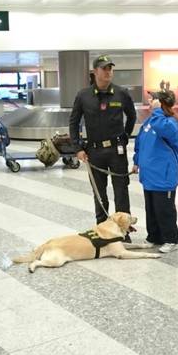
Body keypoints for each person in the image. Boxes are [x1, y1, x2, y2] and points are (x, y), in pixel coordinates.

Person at [69, 55, 137, 236]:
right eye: (104, 68)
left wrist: (125, 136)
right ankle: (103, 231)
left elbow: (132, 116)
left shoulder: (121, 93)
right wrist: (78, 148)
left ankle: (124, 232)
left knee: (121, 191)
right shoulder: (83, 95)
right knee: (99, 194)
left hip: (117, 151)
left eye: (110, 69)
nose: (108, 72)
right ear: (95, 72)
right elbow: (73, 122)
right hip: (94, 151)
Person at [132, 90, 178, 253]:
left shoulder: (171, 122)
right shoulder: (149, 121)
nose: (149, 101)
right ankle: (153, 236)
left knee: (164, 209)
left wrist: (157, 111)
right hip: (149, 176)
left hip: (164, 176)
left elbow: (163, 129)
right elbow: (140, 142)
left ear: (161, 103)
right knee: (151, 209)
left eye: (153, 99)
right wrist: (137, 161)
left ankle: (170, 239)